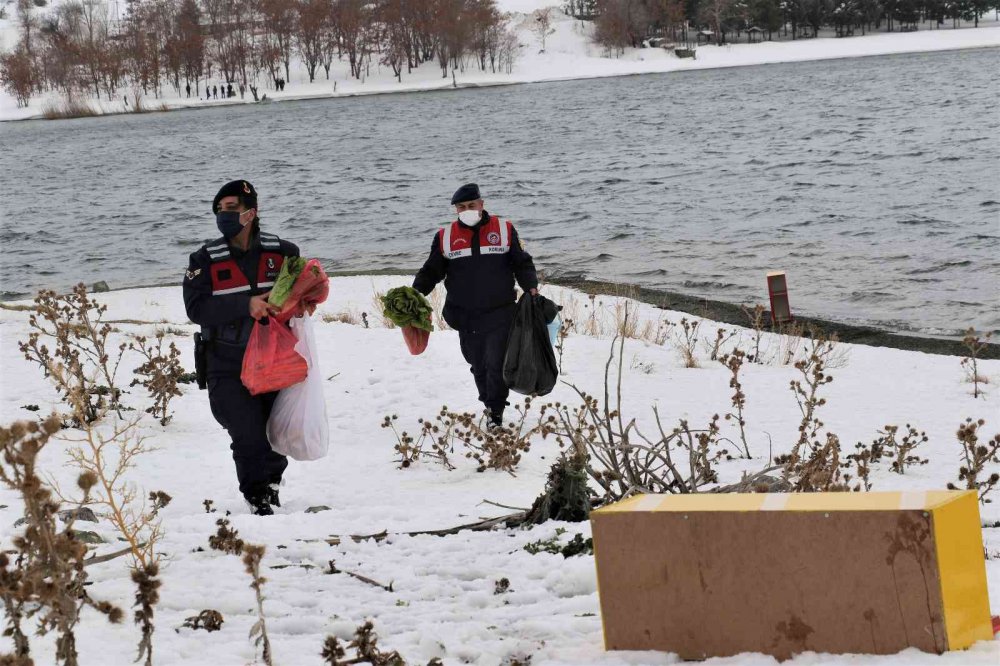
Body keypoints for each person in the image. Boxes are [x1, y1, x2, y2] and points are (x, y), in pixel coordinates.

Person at [183, 180, 302, 515]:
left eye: (232, 208)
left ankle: (272, 486)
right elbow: (196, 309)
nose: (225, 215)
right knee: (247, 435)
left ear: (252, 212)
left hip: (275, 359)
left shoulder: (283, 253)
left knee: (274, 434)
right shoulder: (204, 259)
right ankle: (257, 498)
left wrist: (307, 300)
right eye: (220, 210)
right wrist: (244, 305)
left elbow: (300, 292)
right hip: (226, 362)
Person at [413, 183, 538, 430]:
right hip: (464, 314)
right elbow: (432, 270)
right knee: (477, 363)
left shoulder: (504, 230)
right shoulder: (445, 237)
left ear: (481, 205)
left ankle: (495, 412)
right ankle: (488, 403)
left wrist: (531, 287)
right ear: (456, 210)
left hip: (500, 311)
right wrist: (415, 292)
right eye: (461, 207)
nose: (467, 210)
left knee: (496, 362)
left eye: (471, 205)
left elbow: (522, 263)